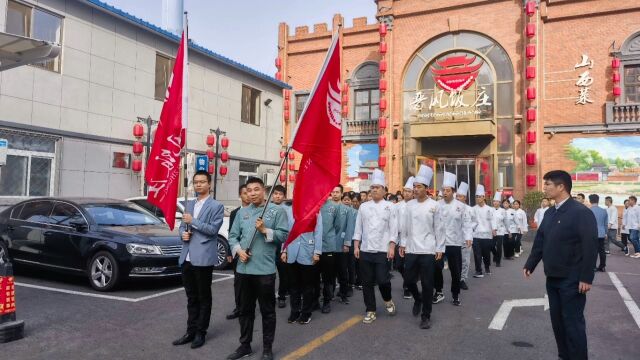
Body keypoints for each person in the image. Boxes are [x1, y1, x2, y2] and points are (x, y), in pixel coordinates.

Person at [524, 170, 597, 360]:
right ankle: (564, 355)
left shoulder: (581, 212)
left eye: (548, 184)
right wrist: (530, 263)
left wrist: (586, 277)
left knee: (572, 323)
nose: (545, 188)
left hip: (572, 279)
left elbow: (590, 246)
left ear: (561, 186)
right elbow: (540, 240)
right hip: (553, 277)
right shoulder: (550, 212)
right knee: (557, 323)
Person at [226, 177, 289, 360]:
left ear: (264, 191)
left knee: (267, 312)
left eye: (256, 189)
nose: (252, 193)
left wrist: (264, 230)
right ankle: (245, 345)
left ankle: (267, 349)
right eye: (249, 190)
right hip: (243, 270)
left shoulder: (276, 211)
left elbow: (283, 235)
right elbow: (233, 236)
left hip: (265, 271)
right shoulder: (242, 213)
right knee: (245, 310)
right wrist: (239, 251)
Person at [173, 171, 225, 349]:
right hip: (186, 257)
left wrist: (193, 221)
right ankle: (190, 331)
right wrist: (183, 234)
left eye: (202, 182)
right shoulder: (189, 204)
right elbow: (181, 226)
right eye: (196, 182)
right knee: (191, 297)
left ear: (209, 184)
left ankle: (201, 333)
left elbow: (212, 230)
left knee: (204, 297)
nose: (198, 185)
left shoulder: (216, 206)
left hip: (203, 258)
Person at [353, 169, 398, 324]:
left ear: (384, 190)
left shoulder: (390, 207)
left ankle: (387, 299)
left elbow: (393, 229)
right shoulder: (364, 207)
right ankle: (370, 310)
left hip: (382, 250)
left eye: (378, 187)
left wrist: (392, 247)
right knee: (366, 282)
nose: (374, 190)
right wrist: (356, 245)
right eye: (372, 188)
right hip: (366, 249)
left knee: (383, 280)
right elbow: (358, 228)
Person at [399, 165, 441, 329]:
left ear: (427, 189)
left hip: (428, 250)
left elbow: (439, 228)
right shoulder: (409, 205)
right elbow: (405, 226)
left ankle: (426, 316)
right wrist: (403, 244)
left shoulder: (434, 205)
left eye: (418, 187)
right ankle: (417, 298)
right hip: (411, 248)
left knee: (427, 284)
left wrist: (439, 248)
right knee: (408, 280)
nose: (415, 190)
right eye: (414, 187)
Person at [433, 172, 472, 306]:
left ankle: (455, 294)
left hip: (455, 243)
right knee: (436, 268)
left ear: (453, 192)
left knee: (456, 271)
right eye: (443, 190)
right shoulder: (436, 205)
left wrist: (468, 237)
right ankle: (438, 291)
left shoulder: (461, 206)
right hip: (439, 243)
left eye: (447, 190)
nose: (445, 192)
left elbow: (466, 223)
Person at [282, 212, 322, 325]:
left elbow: (318, 233)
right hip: (292, 252)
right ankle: (294, 311)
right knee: (293, 286)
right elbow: (287, 232)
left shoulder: (316, 212)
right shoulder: (291, 212)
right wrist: (284, 250)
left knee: (307, 286)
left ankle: (306, 313)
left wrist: (317, 252)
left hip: (307, 253)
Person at [317, 185, 347, 313]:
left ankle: (327, 300)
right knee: (313, 276)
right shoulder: (312, 206)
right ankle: (313, 300)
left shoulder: (333, 207)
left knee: (328, 276)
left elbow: (338, 226)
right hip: (311, 247)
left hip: (328, 247)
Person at [227, 184, 250, 320]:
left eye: (249, 192)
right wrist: (230, 253)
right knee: (238, 282)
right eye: (245, 193)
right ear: (240, 195)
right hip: (237, 252)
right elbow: (231, 232)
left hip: (251, 252)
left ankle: (248, 307)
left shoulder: (259, 212)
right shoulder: (235, 213)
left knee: (251, 282)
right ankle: (239, 308)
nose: (248, 195)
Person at [271, 185, 294, 309]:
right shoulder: (266, 208)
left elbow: (289, 229)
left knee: (284, 273)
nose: (277, 196)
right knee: (269, 274)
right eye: (275, 194)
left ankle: (281, 297)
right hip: (269, 245)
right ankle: (269, 297)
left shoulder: (287, 209)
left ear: (284, 196)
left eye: (280, 194)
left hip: (282, 245)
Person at [395, 176, 415, 299]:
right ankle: (409, 281)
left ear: (413, 193)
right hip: (399, 239)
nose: (406, 193)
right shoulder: (397, 206)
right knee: (399, 265)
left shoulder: (416, 205)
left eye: (409, 191)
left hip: (412, 240)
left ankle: (407, 286)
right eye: (405, 191)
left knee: (410, 265)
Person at [455, 181, 475, 291]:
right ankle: (456, 277)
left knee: (465, 260)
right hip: (454, 239)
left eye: (460, 196)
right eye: (457, 196)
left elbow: (475, 222)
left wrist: (469, 231)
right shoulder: (451, 207)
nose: (458, 198)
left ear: (465, 198)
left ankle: (462, 279)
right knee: (456, 260)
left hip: (466, 239)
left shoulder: (469, 209)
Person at [471, 185, 494, 278]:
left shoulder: (489, 209)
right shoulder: (473, 209)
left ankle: (487, 266)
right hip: (476, 235)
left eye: (480, 196)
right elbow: (471, 221)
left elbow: (493, 220)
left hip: (487, 235)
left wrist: (494, 229)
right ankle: (478, 271)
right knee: (477, 254)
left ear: (484, 197)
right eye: (476, 197)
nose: (478, 198)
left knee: (486, 254)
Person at [342, 194, 357, 297]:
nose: (346, 201)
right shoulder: (340, 211)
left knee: (351, 265)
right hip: (341, 242)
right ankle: (343, 286)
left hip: (351, 241)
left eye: (348, 200)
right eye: (345, 200)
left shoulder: (355, 212)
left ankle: (351, 285)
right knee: (342, 265)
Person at [589, 194, 608, 272]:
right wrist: (606, 232)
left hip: (592, 233)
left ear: (590, 201)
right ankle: (602, 266)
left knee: (593, 251)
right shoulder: (604, 211)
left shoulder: (588, 210)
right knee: (602, 250)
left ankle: (593, 266)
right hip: (602, 233)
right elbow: (605, 224)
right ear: (598, 200)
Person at [491, 192, 507, 268]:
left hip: (500, 231)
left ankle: (498, 261)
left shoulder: (503, 211)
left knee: (499, 246)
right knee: (491, 246)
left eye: (497, 201)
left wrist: (508, 230)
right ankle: (495, 255)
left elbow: (505, 221)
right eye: (494, 201)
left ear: (500, 202)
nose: (495, 203)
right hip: (492, 231)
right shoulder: (490, 210)